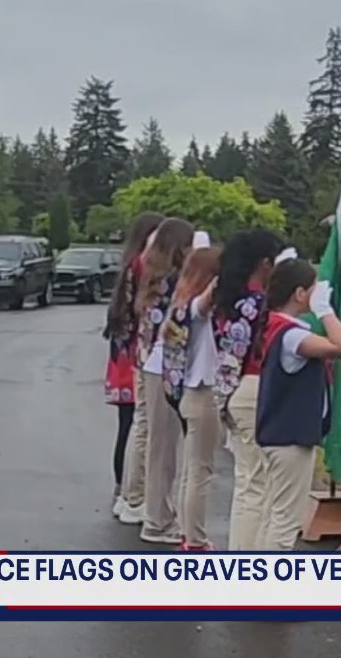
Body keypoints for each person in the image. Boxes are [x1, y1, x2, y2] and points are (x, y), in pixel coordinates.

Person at [254, 259, 341, 551]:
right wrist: (325, 310)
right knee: (286, 522)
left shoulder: (275, 326)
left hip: (278, 433)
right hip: (290, 438)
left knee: (273, 515)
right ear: (299, 294)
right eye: (313, 289)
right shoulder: (292, 335)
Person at [212, 229, 284, 551]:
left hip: (232, 388)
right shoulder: (257, 304)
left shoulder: (228, 298)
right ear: (265, 264)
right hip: (254, 386)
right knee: (257, 483)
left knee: (247, 479)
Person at [134, 217, 195, 544]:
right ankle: (157, 520)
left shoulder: (153, 278)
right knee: (163, 448)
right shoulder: (173, 283)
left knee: (160, 445)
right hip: (165, 367)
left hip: (152, 364)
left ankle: (157, 512)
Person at [159, 240, 221, 551]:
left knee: (191, 468)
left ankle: (188, 532)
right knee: (200, 469)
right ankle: (195, 538)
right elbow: (206, 303)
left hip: (188, 391)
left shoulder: (179, 304)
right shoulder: (196, 307)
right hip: (202, 389)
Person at [105, 211, 164, 522]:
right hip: (138, 353)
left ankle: (122, 489)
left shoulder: (128, 264)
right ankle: (132, 491)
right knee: (141, 427)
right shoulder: (145, 266)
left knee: (128, 425)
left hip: (123, 354)